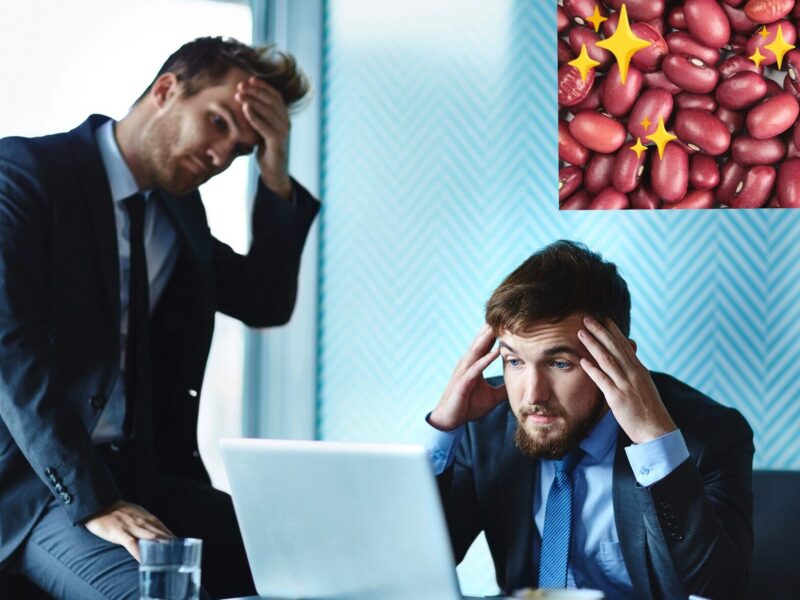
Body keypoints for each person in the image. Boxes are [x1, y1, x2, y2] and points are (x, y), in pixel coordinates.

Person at [0, 37, 320, 599]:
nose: (222, 155)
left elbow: (264, 301)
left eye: (241, 148)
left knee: (306, 556)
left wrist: (274, 171)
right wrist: (93, 501)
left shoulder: (177, 212)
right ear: (166, 90)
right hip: (34, 484)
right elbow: (9, 349)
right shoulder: (26, 173)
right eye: (217, 121)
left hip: (145, 475)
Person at [426, 241, 753, 600]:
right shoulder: (484, 423)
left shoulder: (710, 435)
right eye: (514, 362)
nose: (533, 395)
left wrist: (654, 441)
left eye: (559, 363)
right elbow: (416, 565)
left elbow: (720, 590)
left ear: (618, 358)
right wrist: (445, 428)